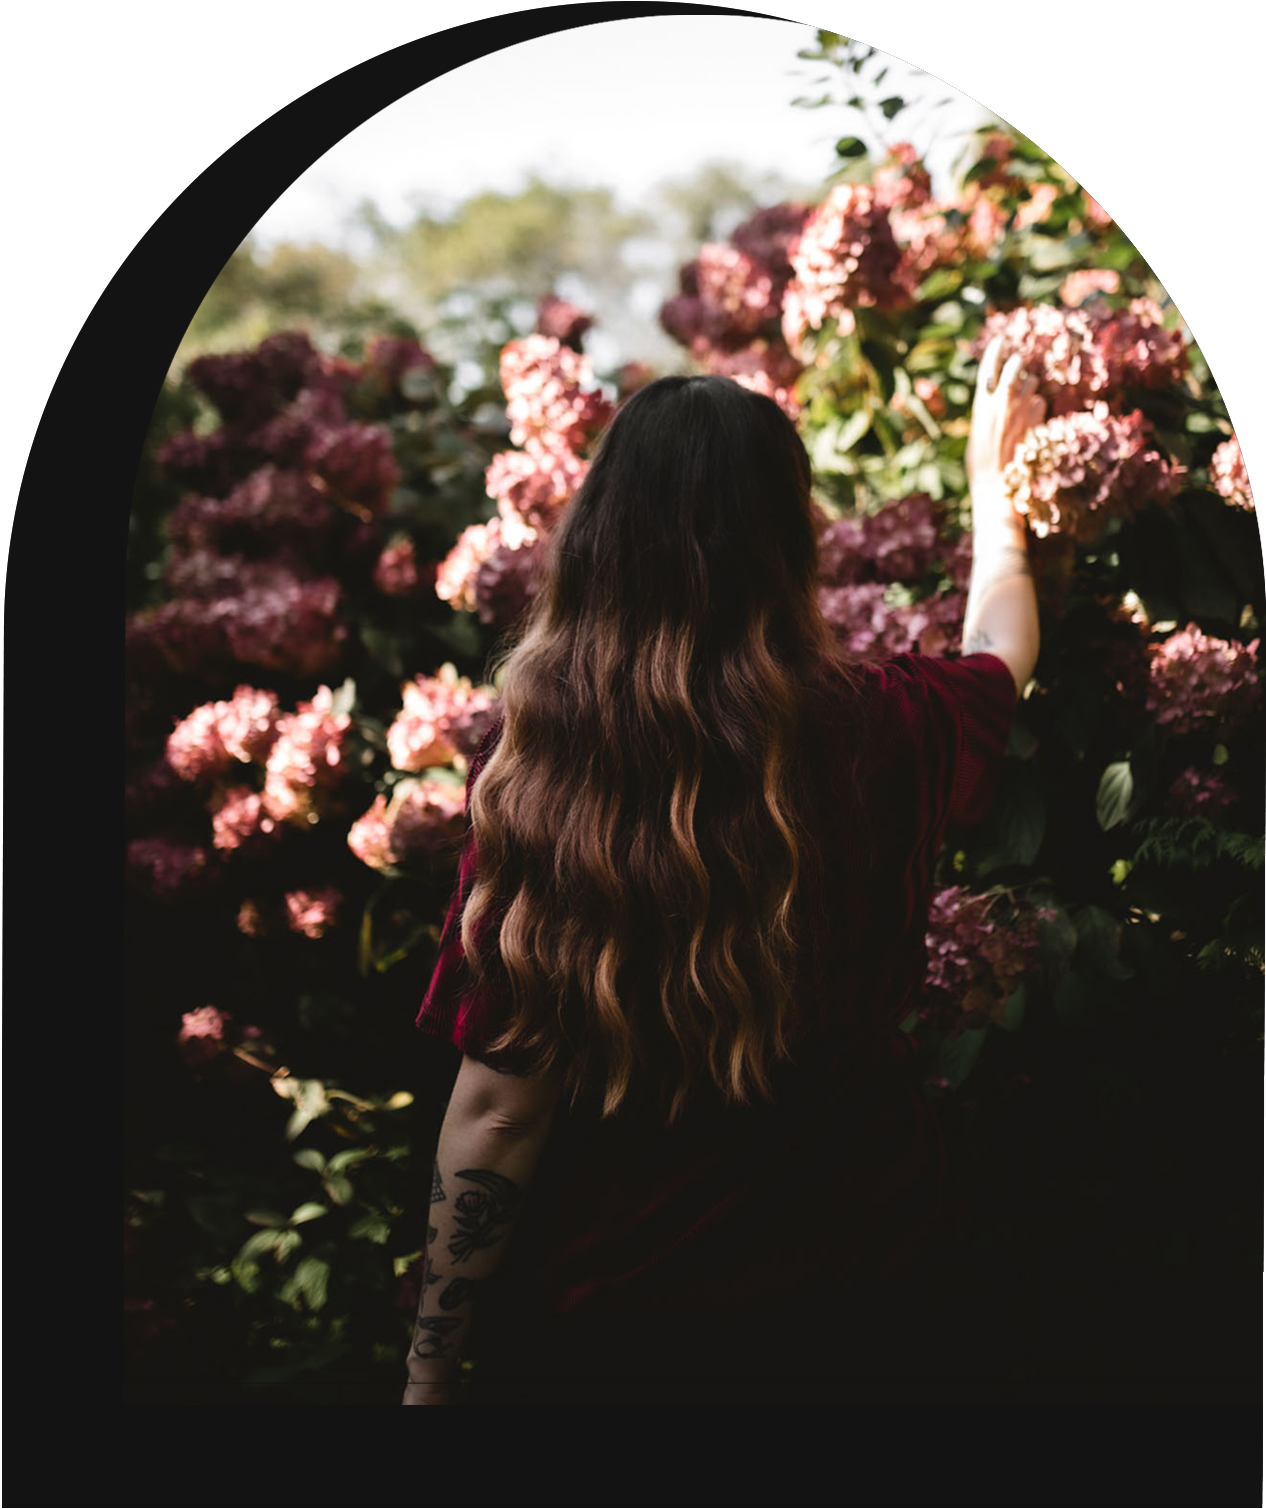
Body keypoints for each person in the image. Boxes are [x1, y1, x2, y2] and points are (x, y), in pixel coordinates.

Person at [402, 338, 1044, 1406]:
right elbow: (1000, 647)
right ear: (786, 542)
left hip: (621, 1332)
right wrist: (994, 491)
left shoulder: (537, 773)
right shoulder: (882, 727)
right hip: (867, 1298)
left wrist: (427, 1372)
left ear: (598, 540)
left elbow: (500, 1112)